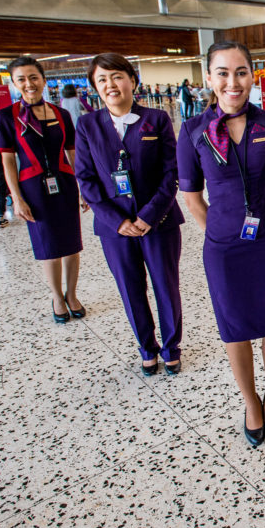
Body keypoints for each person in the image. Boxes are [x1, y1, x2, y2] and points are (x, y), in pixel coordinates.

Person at [178, 41, 265, 447]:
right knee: (235, 326)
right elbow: (192, 197)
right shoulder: (193, 130)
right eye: (223, 73)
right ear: (209, 78)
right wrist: (223, 232)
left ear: (252, 75)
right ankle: (251, 401)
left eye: (242, 72)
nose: (233, 82)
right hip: (225, 248)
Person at [75, 53, 185, 375]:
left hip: (160, 222)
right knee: (130, 288)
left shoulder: (157, 119)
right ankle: (146, 347)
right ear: (95, 87)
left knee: (166, 287)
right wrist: (118, 221)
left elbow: (171, 173)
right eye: (102, 80)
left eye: (117, 76)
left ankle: (171, 347)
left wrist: (148, 216)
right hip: (115, 228)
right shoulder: (87, 125)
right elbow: (86, 178)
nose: (111, 85)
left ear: (132, 81)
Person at [0, 55, 87, 324]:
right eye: (21, 79)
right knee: (49, 244)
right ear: (14, 84)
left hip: (65, 183)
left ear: (44, 80)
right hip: (33, 188)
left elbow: (73, 153)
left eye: (33, 77)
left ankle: (72, 294)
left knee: (72, 244)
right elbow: (8, 159)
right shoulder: (7, 117)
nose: (29, 83)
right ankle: (57, 297)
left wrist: (83, 188)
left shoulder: (61, 114)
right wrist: (17, 197)